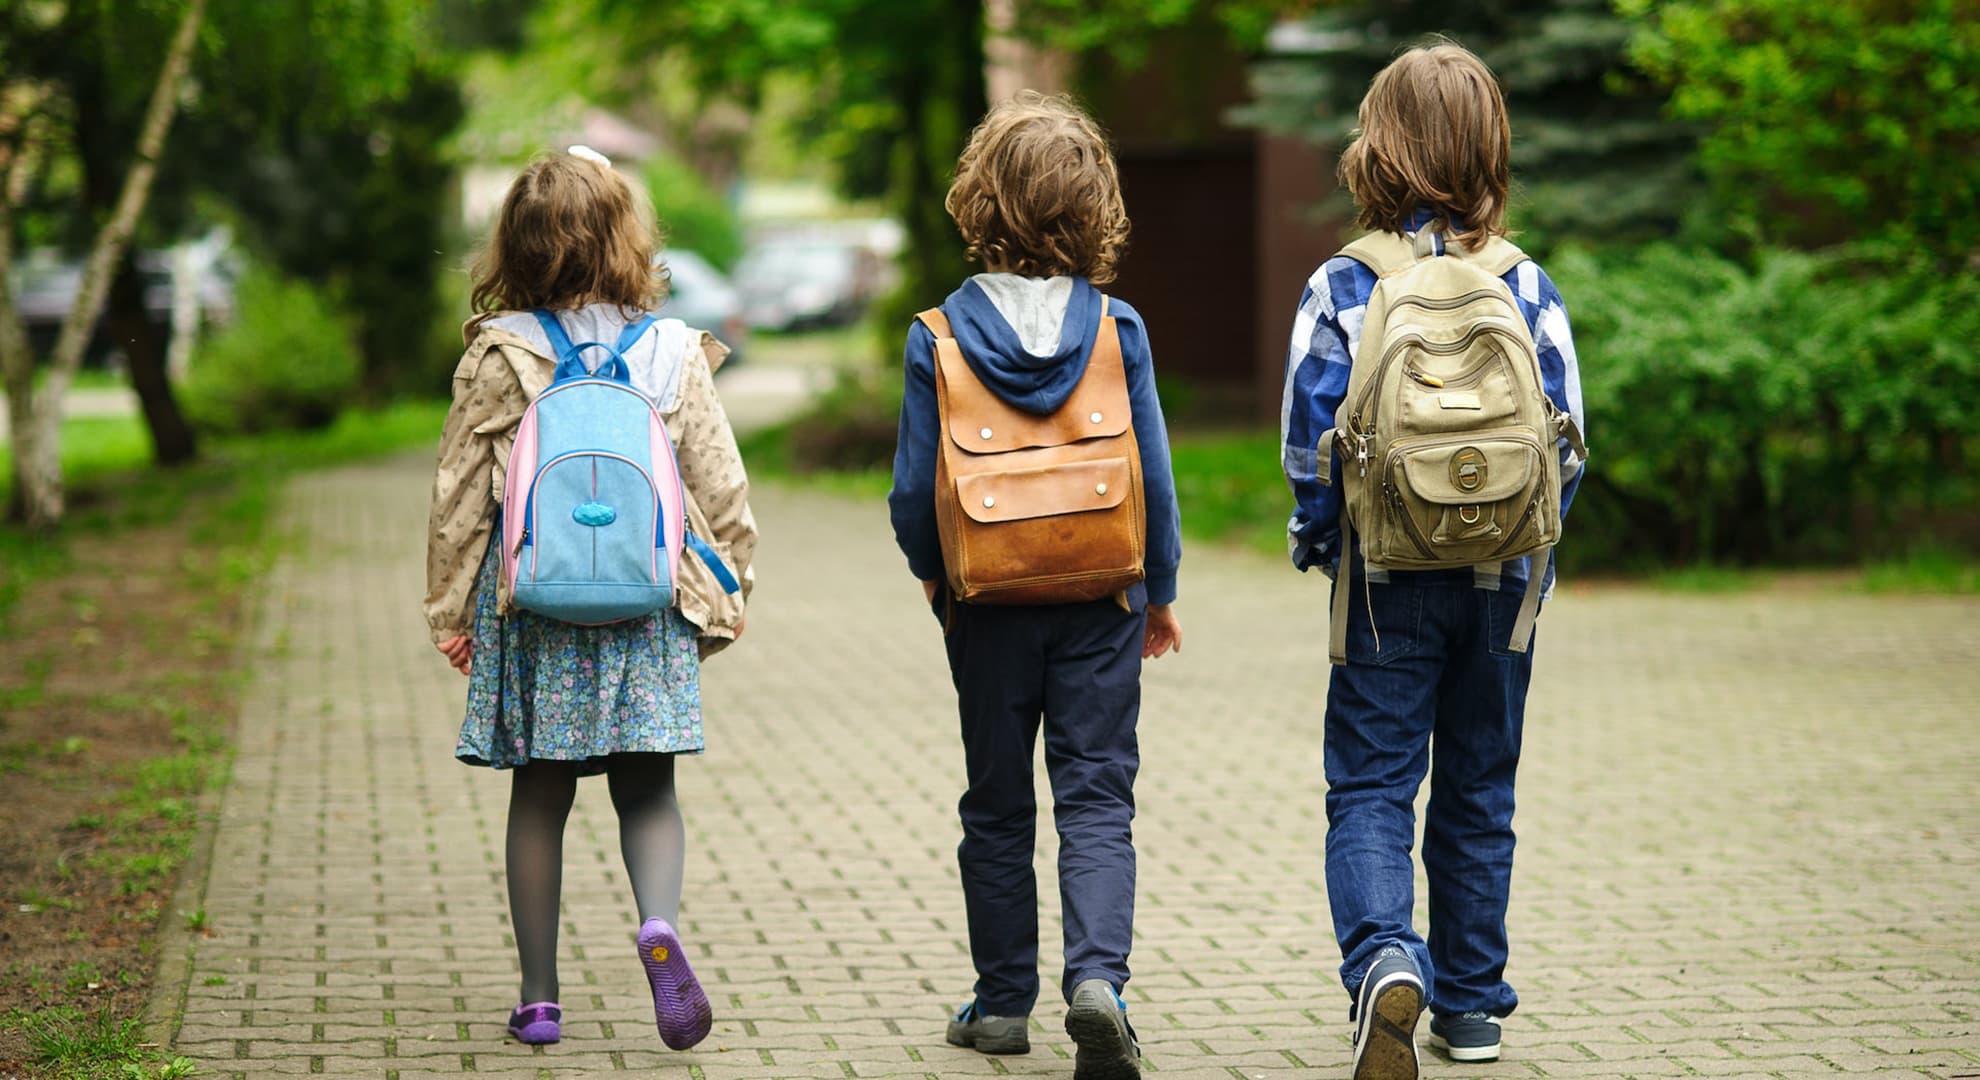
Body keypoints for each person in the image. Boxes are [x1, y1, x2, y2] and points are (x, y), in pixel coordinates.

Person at [1278, 43, 1586, 1079]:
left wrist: (1323, 549)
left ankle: (1381, 962)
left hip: (1384, 583)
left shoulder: (1342, 284)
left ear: (1377, 150)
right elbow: (1568, 445)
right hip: (1505, 587)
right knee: (1479, 787)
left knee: (1370, 783)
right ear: (1492, 150)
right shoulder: (1527, 285)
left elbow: (1307, 451)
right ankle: (1473, 1010)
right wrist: (1531, 550)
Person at [422, 149, 756, 1052]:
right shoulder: (672, 351)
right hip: (646, 609)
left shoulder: (502, 351)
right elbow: (718, 490)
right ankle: (658, 924)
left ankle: (539, 998)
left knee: (541, 798)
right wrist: (725, 593)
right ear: (626, 240)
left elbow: (458, 493)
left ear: (518, 248)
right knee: (650, 791)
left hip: (536, 608)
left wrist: (450, 612)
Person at [888, 92, 1183, 1080]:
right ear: (1095, 209)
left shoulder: (937, 335)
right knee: (1097, 800)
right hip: (1103, 598)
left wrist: (941, 582)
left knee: (998, 804)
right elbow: (1153, 473)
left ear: (980, 204)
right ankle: (1098, 981)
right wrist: (1163, 587)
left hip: (988, 605)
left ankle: (1003, 1003)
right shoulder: (1118, 328)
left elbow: (908, 493)